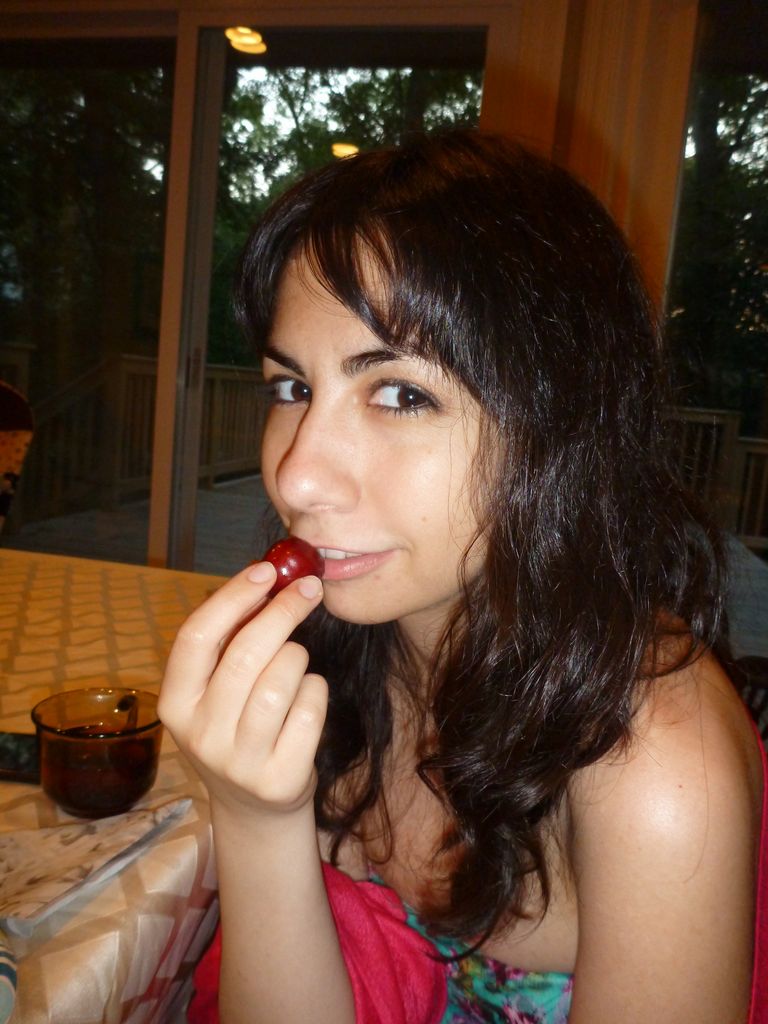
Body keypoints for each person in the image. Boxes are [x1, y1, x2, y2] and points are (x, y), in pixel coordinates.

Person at [158, 129, 766, 1024]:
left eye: (401, 394)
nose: (297, 477)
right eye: (292, 388)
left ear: (559, 424)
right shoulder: (342, 649)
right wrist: (258, 823)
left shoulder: (657, 771)